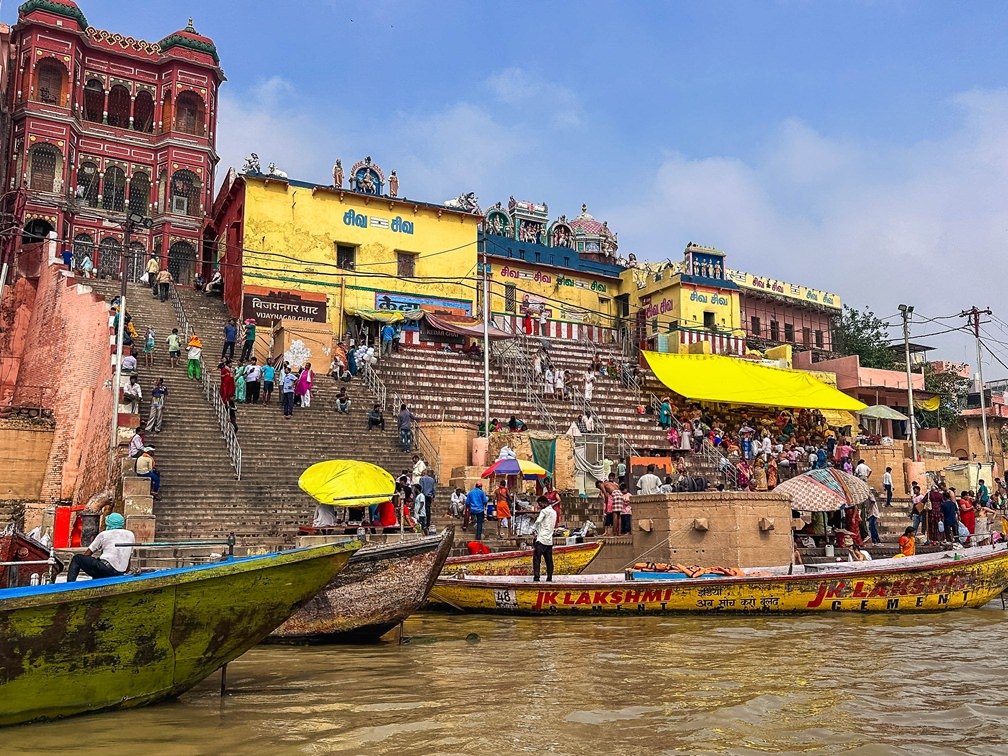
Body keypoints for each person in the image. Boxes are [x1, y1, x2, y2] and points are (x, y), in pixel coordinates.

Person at [66, 513, 135, 582]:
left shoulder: (104, 534)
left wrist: (84, 564)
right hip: (120, 572)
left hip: (105, 569)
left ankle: (69, 585)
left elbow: (88, 553)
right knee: (97, 564)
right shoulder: (130, 534)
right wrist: (125, 572)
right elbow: (128, 556)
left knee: (77, 558)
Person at [531, 495, 557, 582]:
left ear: (543, 503)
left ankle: (536, 577)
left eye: (539, 504)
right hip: (549, 540)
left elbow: (538, 521)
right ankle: (549, 577)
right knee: (549, 560)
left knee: (537, 559)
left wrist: (533, 529)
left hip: (541, 539)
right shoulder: (554, 512)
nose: (539, 506)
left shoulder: (544, 511)